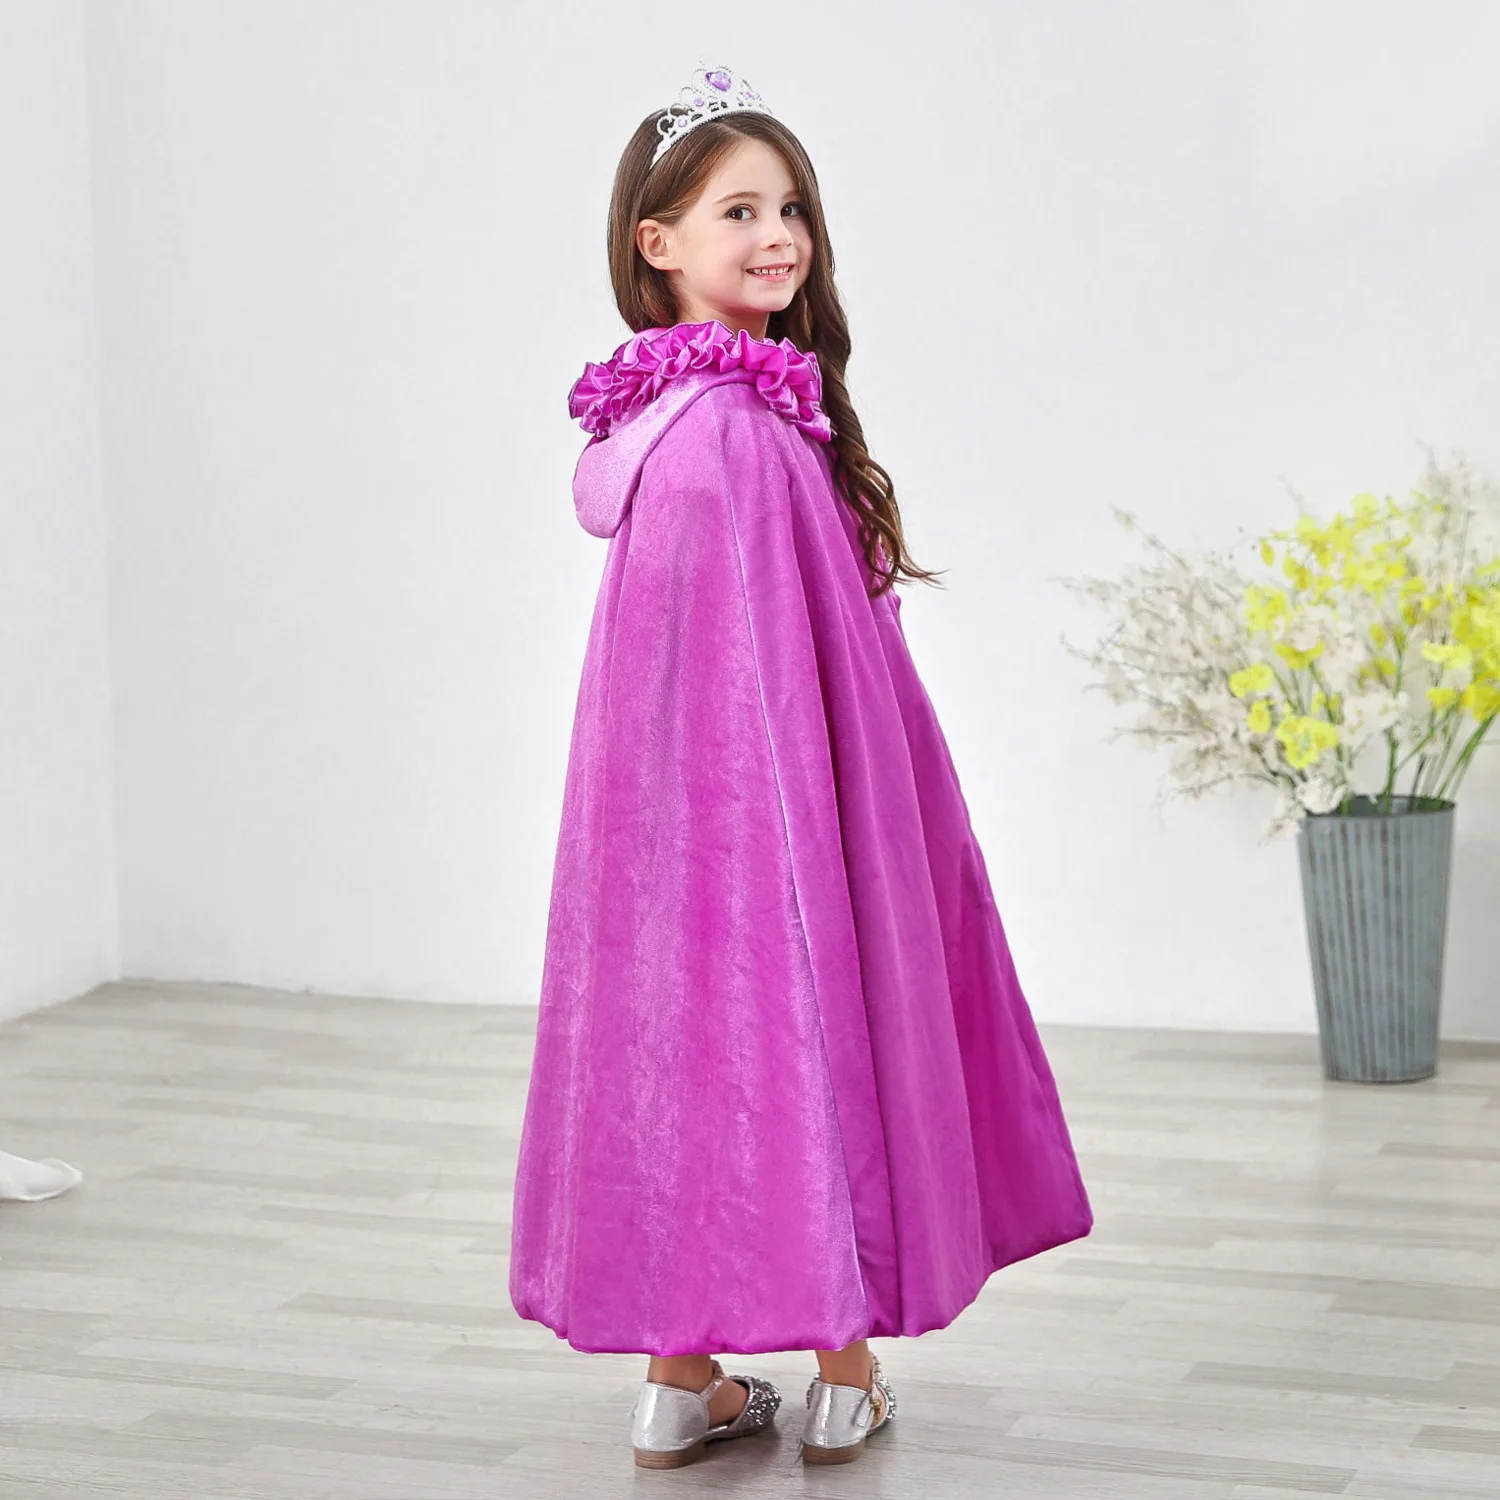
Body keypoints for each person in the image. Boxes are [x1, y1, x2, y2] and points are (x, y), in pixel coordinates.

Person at [507, 60, 1094, 1469]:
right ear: (658, 243)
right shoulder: (740, 433)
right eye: (739, 212)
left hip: (663, 835)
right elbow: (791, 679)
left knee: (682, 1041)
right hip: (789, 814)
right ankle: (843, 1373)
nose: (778, 238)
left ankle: (678, 1382)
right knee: (814, 1018)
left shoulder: (667, 429)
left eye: (792, 210)